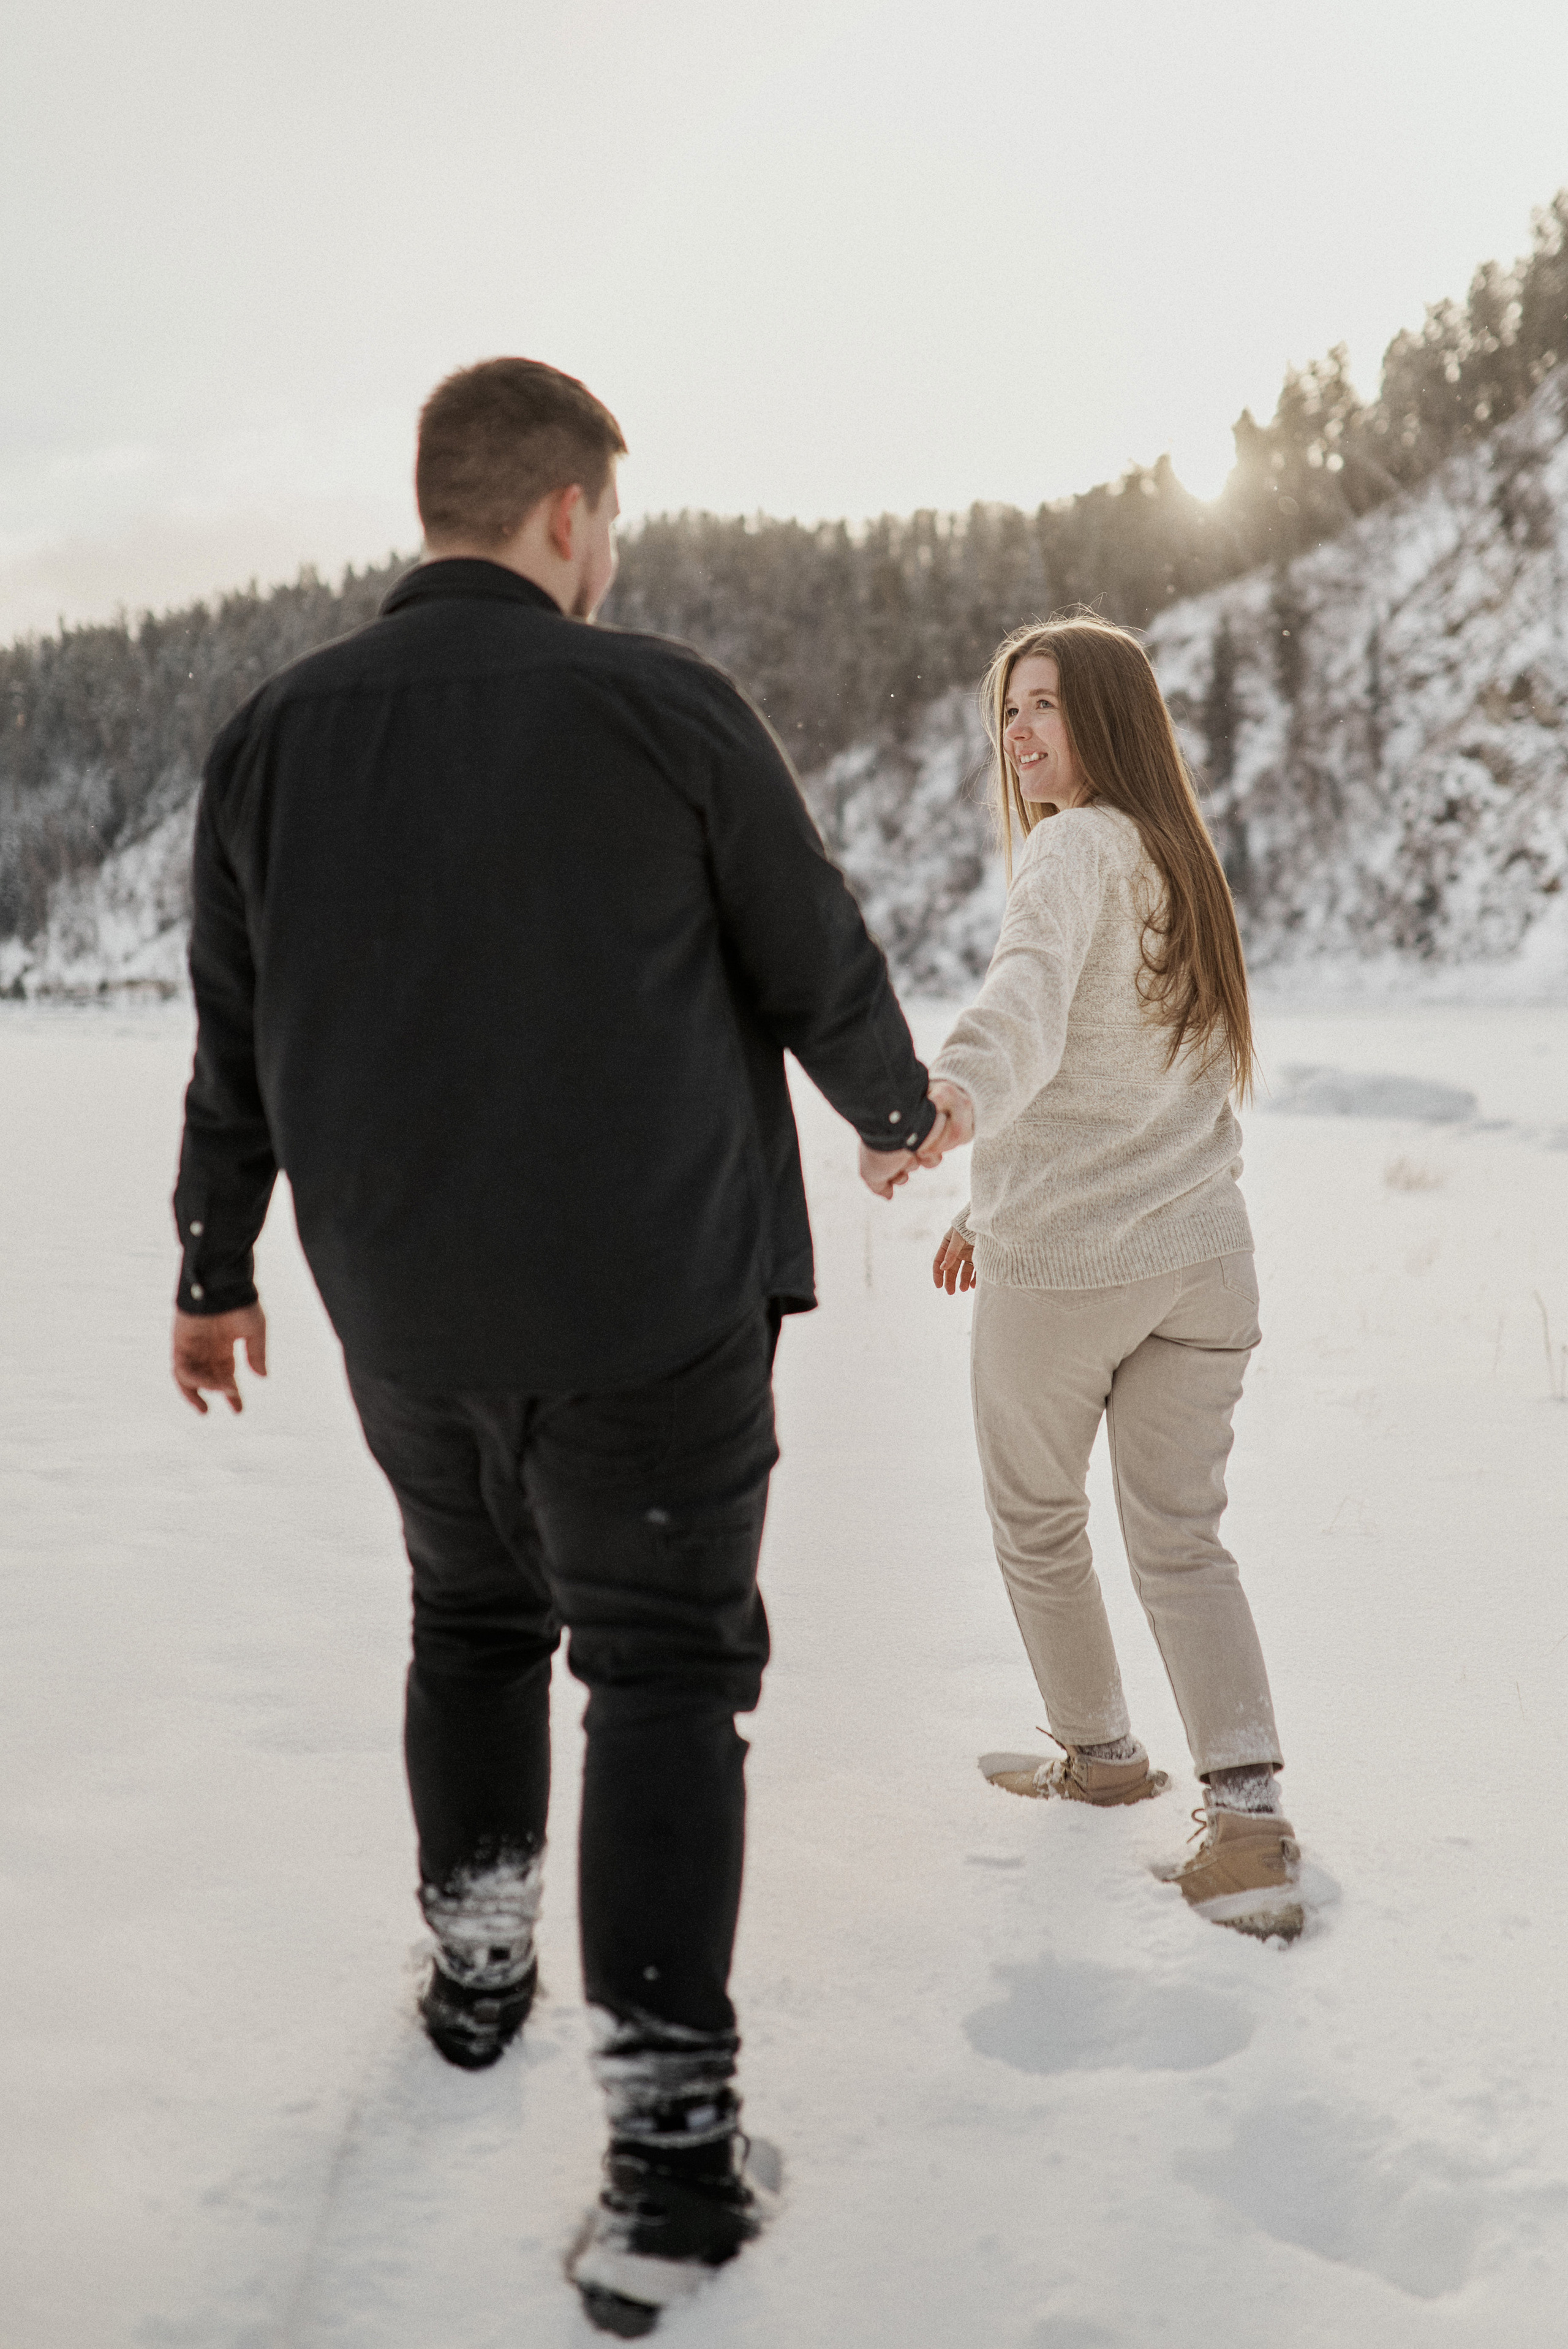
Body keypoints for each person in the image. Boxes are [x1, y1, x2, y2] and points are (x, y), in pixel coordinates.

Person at [168, 356, 950, 2336]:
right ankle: (669, 2174)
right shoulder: (660, 701)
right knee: (667, 1672)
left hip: (407, 1316)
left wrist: (213, 1262)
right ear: (569, 514)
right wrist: (892, 1105)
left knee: (473, 1617)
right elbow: (808, 943)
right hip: (648, 1312)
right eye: (616, 519)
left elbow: (233, 1039)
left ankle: (482, 1974)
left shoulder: (271, 737)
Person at [926, 615, 1303, 1942]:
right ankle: (1248, 1823)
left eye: (1044, 706)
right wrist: (992, 1193)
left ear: (1108, 717)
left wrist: (952, 1099)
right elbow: (1121, 1070)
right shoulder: (1175, 856)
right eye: (1009, 710)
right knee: (1181, 1543)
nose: (1019, 733)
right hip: (1201, 1263)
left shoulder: (1068, 853)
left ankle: (1100, 1760)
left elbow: (1023, 1008)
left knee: (1036, 1522)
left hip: (1074, 1275)